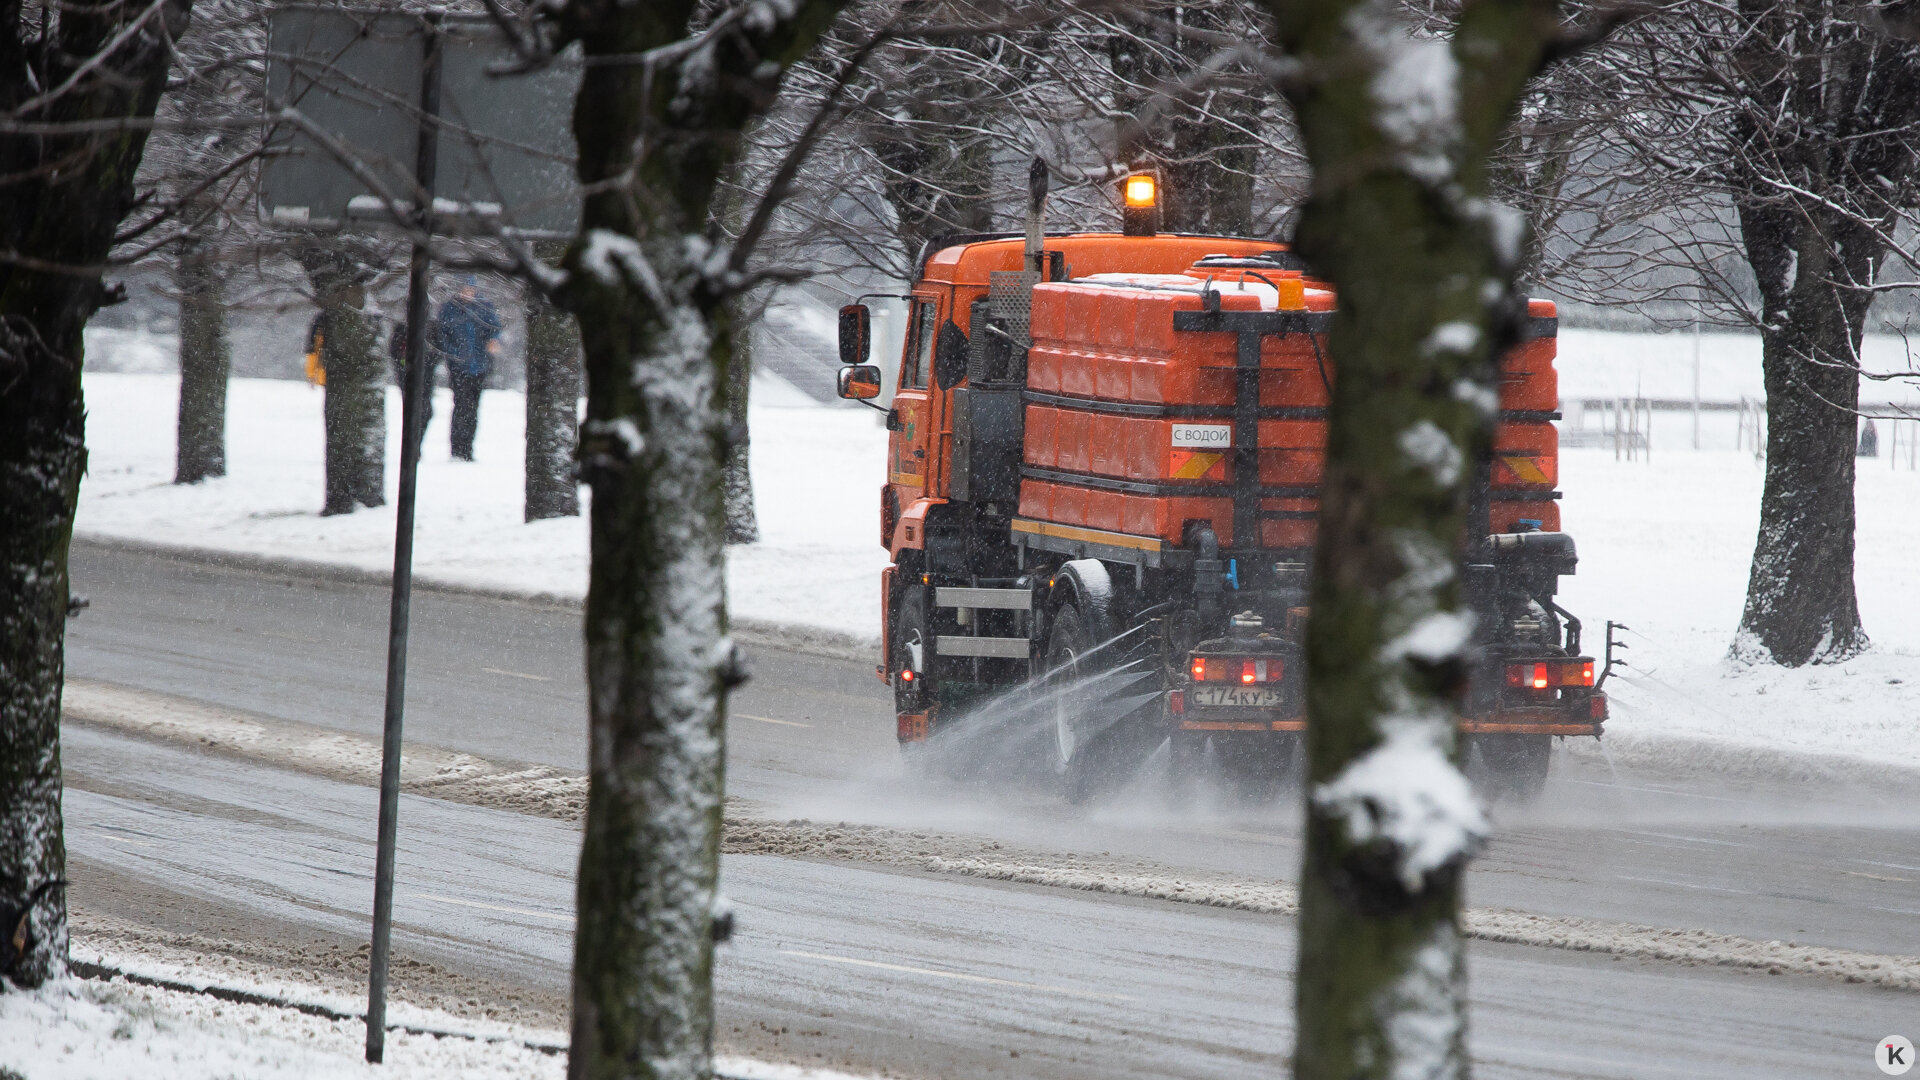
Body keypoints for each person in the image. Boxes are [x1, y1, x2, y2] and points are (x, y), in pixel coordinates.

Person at [430, 276, 503, 461]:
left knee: (473, 408)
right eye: (464, 289)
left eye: (470, 290)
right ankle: (457, 449)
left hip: (480, 366)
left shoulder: (484, 307)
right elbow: (442, 336)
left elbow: (495, 329)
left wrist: (494, 341)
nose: (468, 293)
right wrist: (454, 354)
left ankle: (468, 449)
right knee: (461, 405)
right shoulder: (449, 309)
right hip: (458, 367)